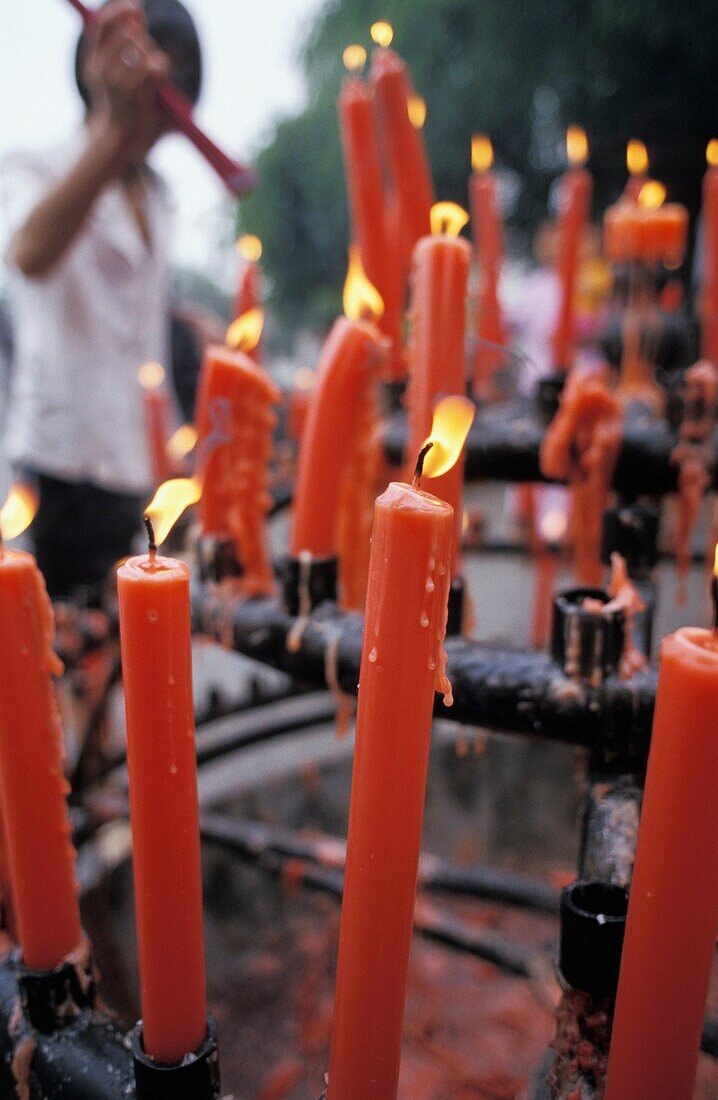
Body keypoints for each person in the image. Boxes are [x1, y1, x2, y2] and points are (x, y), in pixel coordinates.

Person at [0, 0, 202, 599]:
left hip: (145, 463)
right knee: (67, 649)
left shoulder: (160, 193)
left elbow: (136, 308)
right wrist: (114, 132)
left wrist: (188, 321)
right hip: (68, 465)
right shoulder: (35, 167)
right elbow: (30, 255)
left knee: (142, 644)